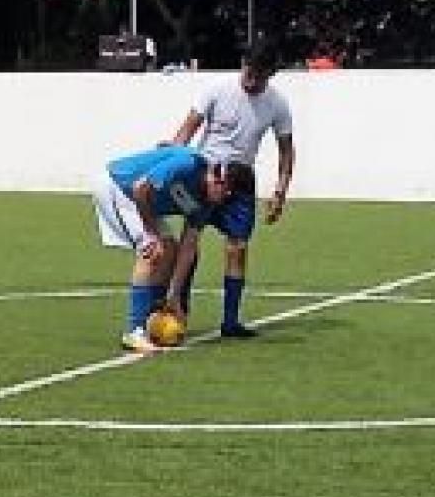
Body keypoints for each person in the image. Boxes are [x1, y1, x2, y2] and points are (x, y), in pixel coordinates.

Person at [165, 40, 295, 338]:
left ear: (271, 74)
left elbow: (286, 151)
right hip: (204, 176)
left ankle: (230, 321)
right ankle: (177, 309)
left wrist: (279, 193)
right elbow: (186, 130)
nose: (251, 81)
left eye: (259, 76)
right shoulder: (217, 90)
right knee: (190, 241)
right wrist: (172, 163)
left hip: (241, 180)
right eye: (248, 72)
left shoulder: (277, 104)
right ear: (243, 64)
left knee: (238, 247)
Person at [91, 144, 255, 353]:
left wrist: (174, 294)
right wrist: (151, 233)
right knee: (152, 251)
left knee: (170, 250)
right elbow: (141, 188)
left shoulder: (206, 202)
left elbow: (188, 247)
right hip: (117, 187)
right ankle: (135, 331)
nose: (224, 201)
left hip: (140, 201)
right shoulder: (187, 163)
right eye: (226, 195)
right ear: (220, 181)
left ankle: (154, 318)